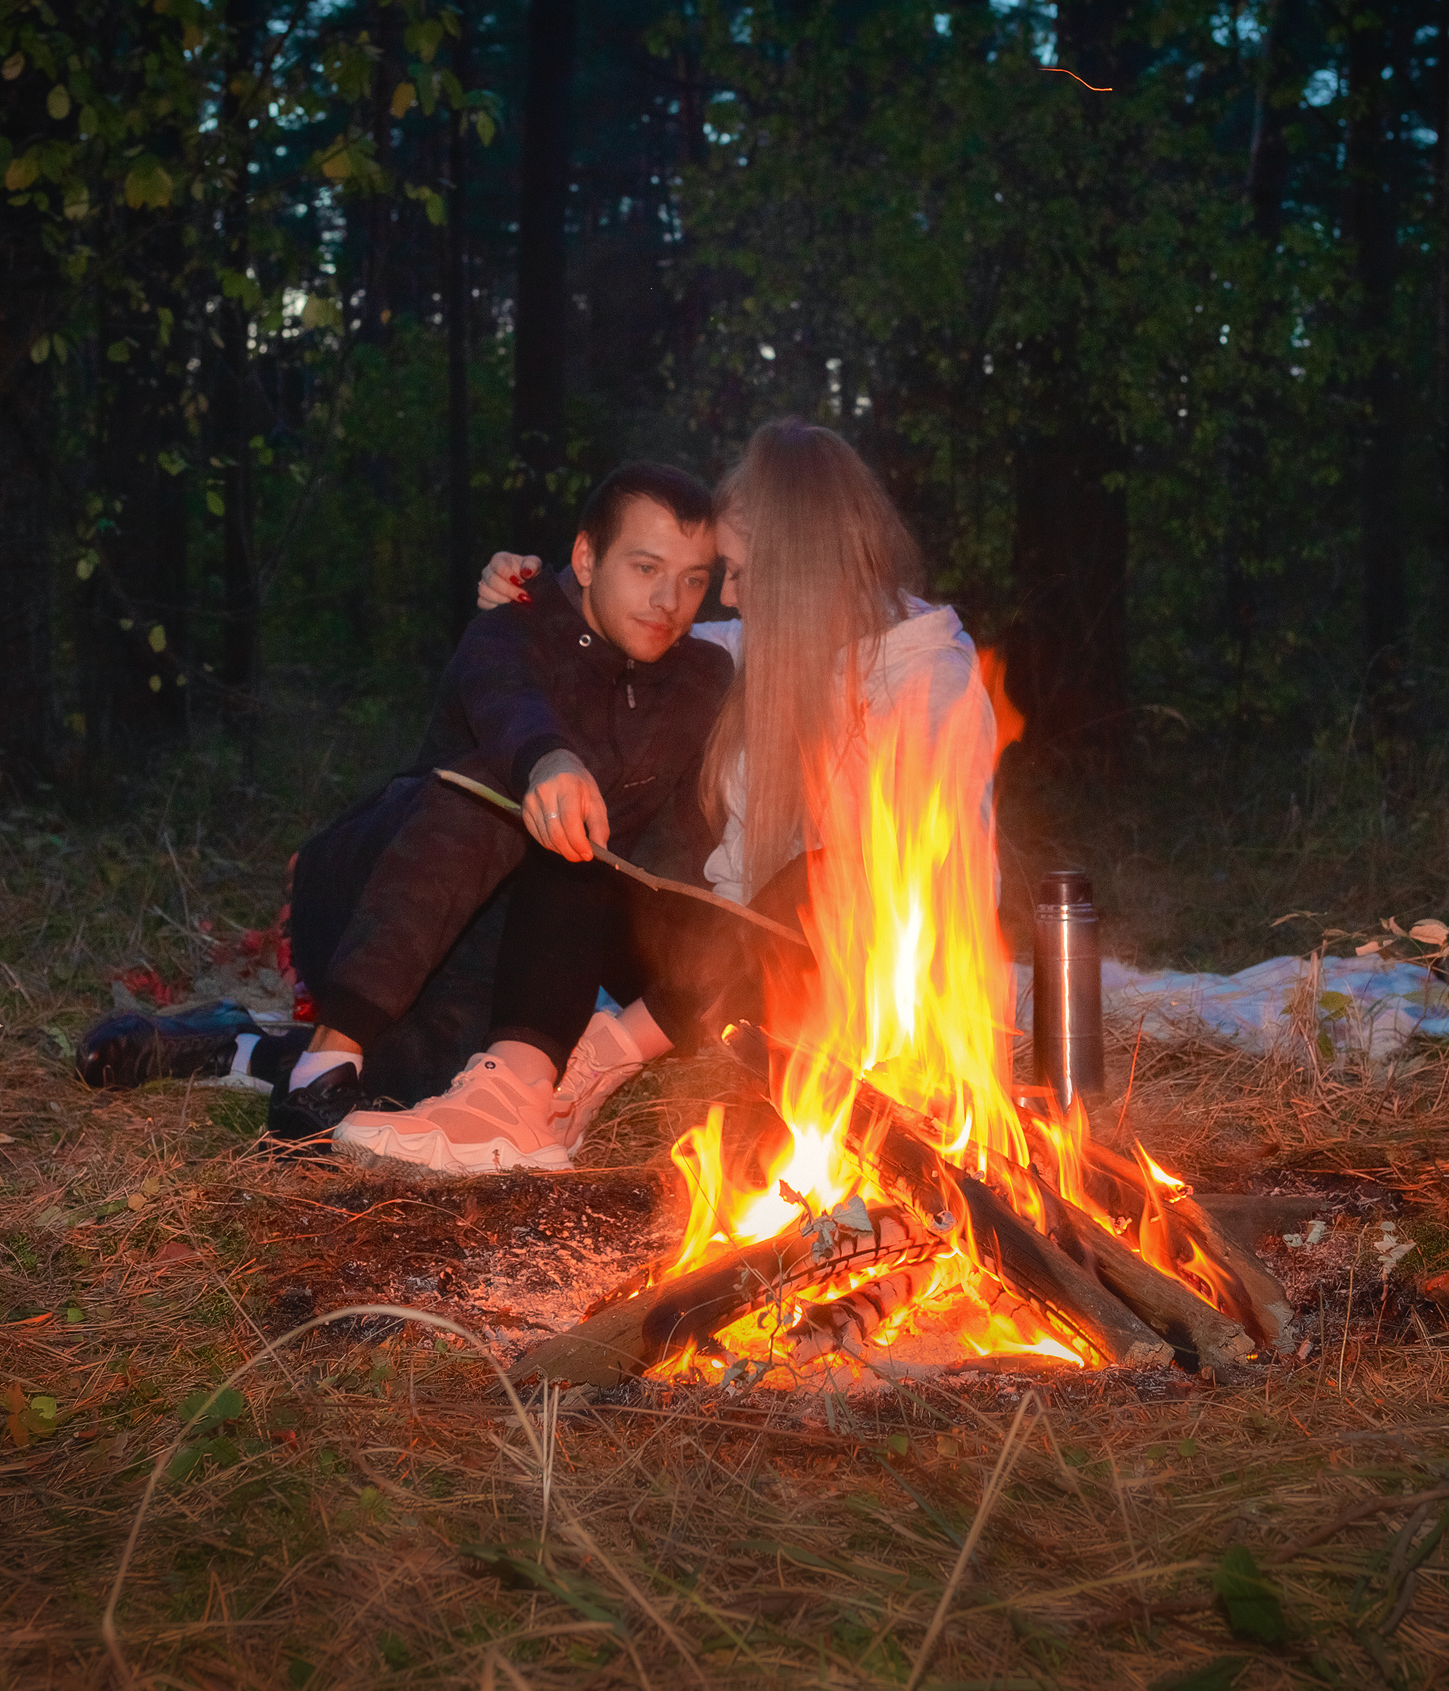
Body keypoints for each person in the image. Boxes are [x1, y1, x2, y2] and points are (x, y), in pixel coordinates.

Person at [346, 417, 993, 1173]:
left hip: (836, 995)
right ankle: (514, 1099)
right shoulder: (756, 645)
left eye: (741, 573)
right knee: (580, 806)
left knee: (839, 869)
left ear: (801, 574)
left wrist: (627, 1036)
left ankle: (598, 1057)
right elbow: (617, 634)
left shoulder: (928, 685)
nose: (724, 594)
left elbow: (898, 911)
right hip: (704, 966)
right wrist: (539, 596)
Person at [269, 463, 731, 1158]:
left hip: (491, 948)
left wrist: (698, 967)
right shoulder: (515, 623)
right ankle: (330, 1049)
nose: (670, 599)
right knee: (497, 784)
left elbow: (668, 855)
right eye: (645, 567)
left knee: (429, 1079)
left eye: (694, 579)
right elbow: (505, 699)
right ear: (585, 557)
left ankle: (245, 1048)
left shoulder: (699, 681)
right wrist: (546, 758)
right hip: (375, 897)